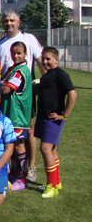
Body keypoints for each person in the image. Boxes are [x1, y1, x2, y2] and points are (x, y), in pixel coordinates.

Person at [0, 9, 45, 182]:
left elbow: (40, 62)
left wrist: (47, 84)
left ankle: (30, 167)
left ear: (18, 22)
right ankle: (10, 166)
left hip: (23, 96)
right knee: (7, 131)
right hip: (5, 96)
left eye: (12, 20)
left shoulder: (29, 39)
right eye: (6, 20)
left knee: (28, 130)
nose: (9, 23)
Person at [35, 47, 77, 198]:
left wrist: (64, 115)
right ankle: (56, 182)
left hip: (53, 119)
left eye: (48, 59)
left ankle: (51, 185)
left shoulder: (60, 74)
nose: (45, 62)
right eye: (43, 59)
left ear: (56, 59)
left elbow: (72, 94)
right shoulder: (47, 75)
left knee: (45, 149)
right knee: (51, 150)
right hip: (43, 117)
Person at [0, 42, 33, 191]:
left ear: (25, 54)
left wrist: (1, 83)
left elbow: (6, 89)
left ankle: (22, 178)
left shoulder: (21, 71)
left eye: (19, 53)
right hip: (11, 114)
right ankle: (14, 173)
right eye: (14, 53)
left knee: (19, 145)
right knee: (12, 145)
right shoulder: (14, 69)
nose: (16, 56)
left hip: (17, 115)